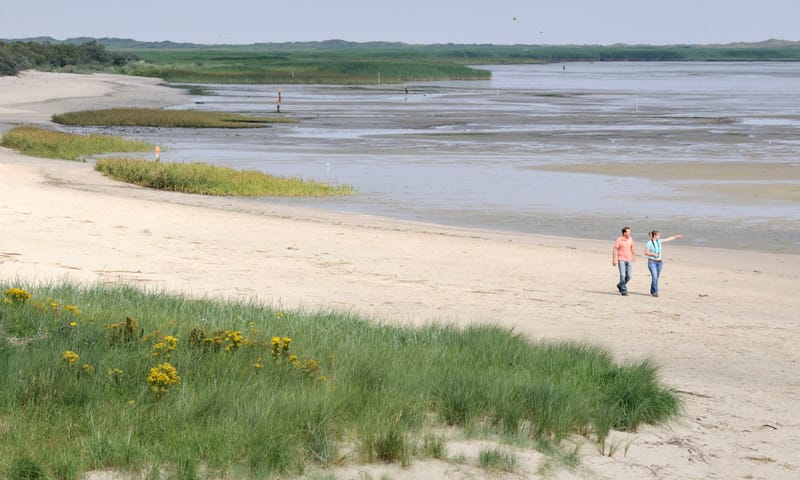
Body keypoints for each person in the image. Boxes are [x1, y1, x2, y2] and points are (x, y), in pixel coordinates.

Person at [644, 230, 683, 297]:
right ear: (654, 236)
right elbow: (646, 252)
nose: (659, 236)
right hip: (652, 262)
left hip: (659, 262)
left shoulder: (659, 241)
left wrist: (676, 236)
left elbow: (668, 239)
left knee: (656, 278)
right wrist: (653, 254)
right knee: (655, 277)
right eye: (658, 235)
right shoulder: (649, 243)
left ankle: (652, 290)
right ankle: (655, 292)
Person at [612, 226, 636, 296]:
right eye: (628, 232)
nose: (630, 233)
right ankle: (623, 290)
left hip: (629, 259)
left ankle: (620, 285)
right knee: (623, 275)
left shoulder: (631, 239)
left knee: (629, 276)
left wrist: (634, 255)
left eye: (630, 231)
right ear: (624, 233)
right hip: (621, 259)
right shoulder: (619, 240)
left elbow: (632, 247)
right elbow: (615, 249)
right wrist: (614, 259)